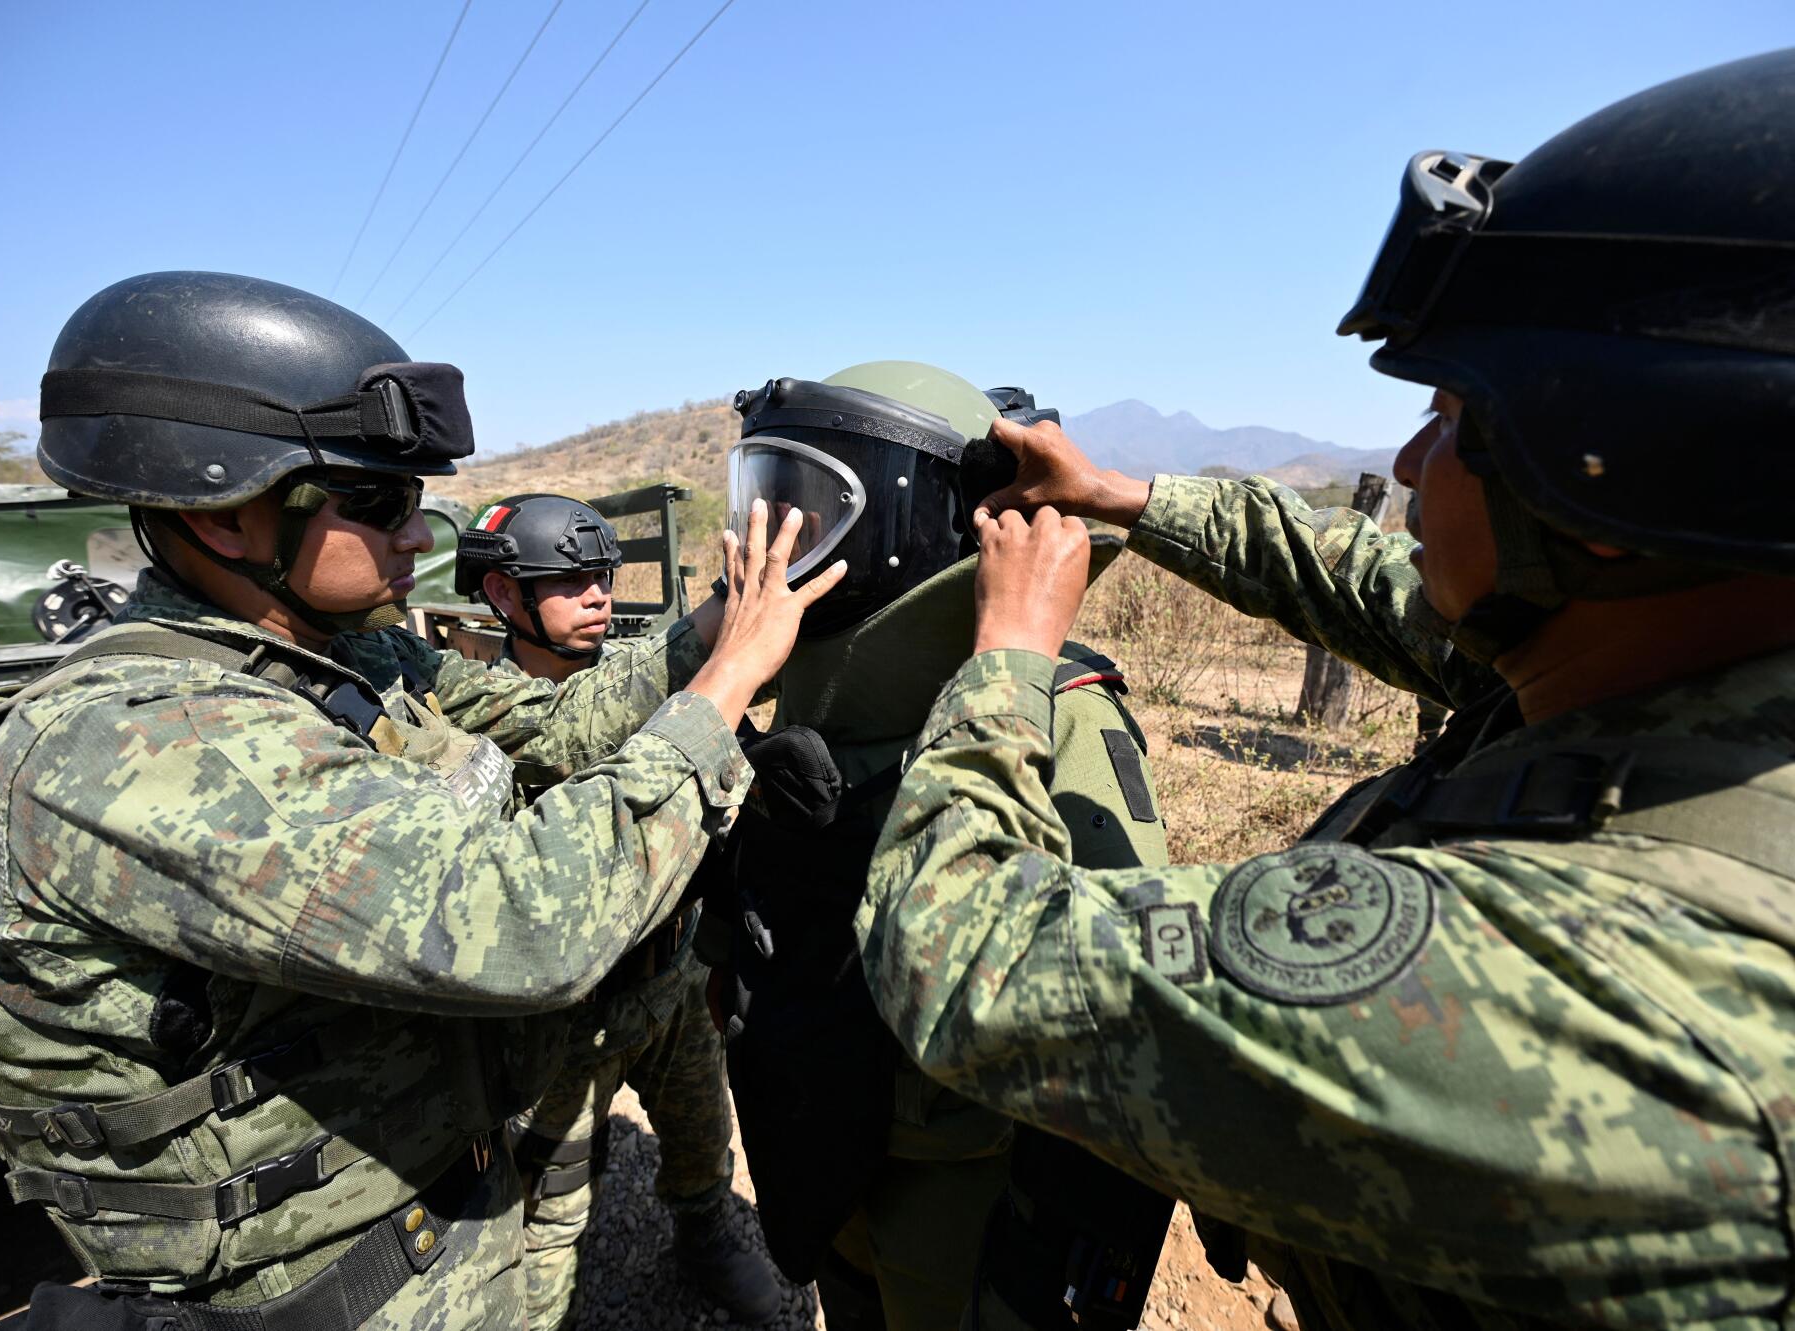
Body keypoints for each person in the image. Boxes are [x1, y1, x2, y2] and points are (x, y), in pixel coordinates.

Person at [855, 51, 1795, 1330]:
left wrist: (1007, 655)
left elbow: (963, 957)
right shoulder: (1692, 661)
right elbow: (1371, 580)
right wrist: (1124, 494)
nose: (1405, 461)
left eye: (1455, 414)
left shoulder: (1593, 983)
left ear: (1621, 476)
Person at [0, 271, 842, 1331]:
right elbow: (520, 927)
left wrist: (717, 618)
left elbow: (564, 729)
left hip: (446, 1221)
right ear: (230, 521)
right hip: (334, 1293)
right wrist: (722, 692)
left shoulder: (346, 657)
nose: (414, 537)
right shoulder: (143, 739)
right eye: (380, 502)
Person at [701, 363, 1179, 1331]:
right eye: (768, 497)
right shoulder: (803, 703)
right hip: (826, 1134)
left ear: (912, 519)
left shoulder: (1062, 714)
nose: (778, 539)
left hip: (968, 1178)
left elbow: (1127, 999)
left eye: (814, 507)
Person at [455, 493, 782, 1327]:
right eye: (570, 580)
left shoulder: (634, 670)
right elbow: (574, 738)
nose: (599, 594)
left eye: (603, 575)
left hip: (668, 980)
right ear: (502, 596)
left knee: (703, 1138)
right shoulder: (481, 720)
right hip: (564, 1023)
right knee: (549, 1214)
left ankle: (704, 1233)